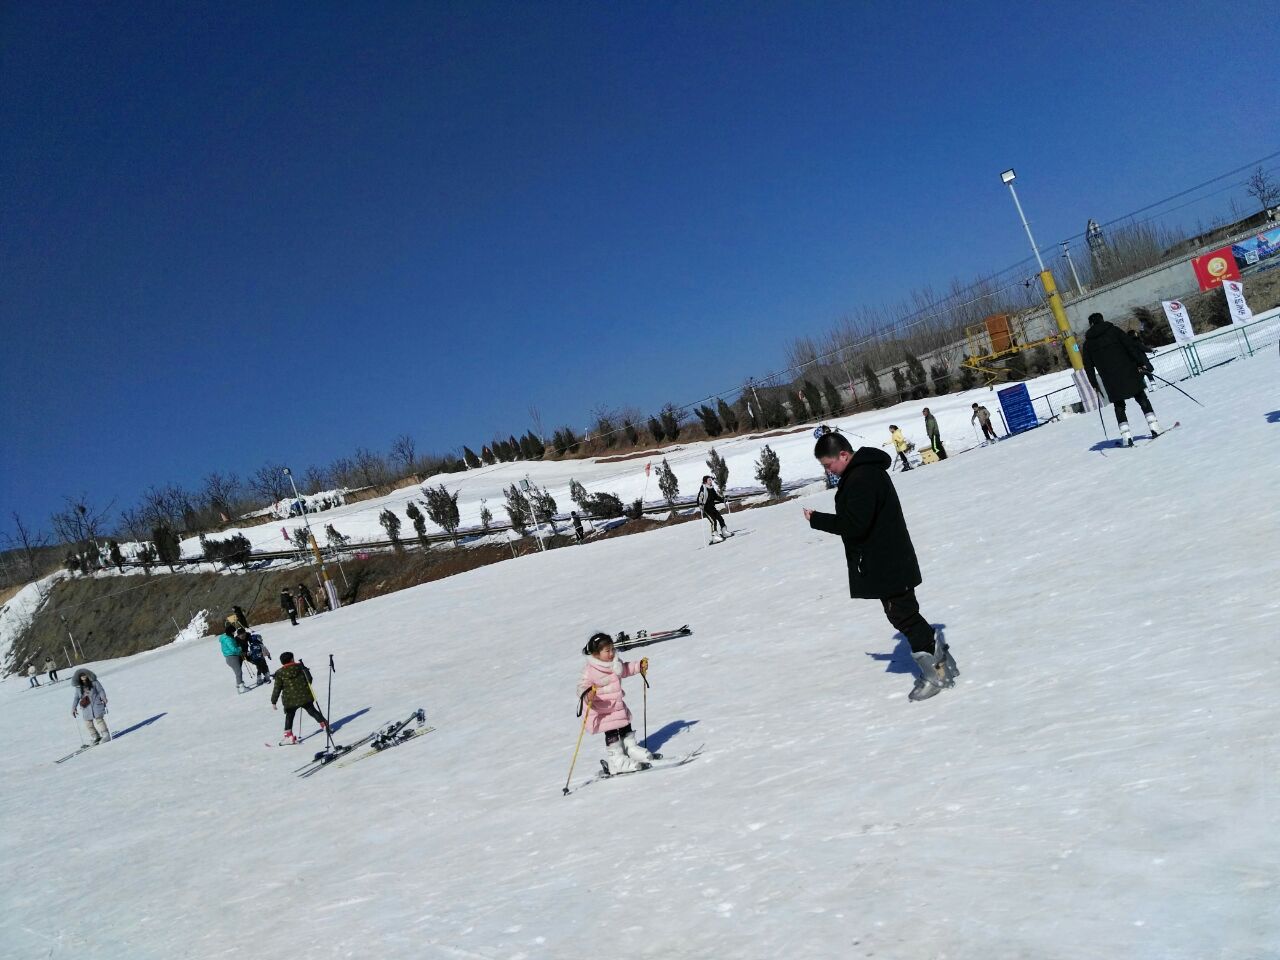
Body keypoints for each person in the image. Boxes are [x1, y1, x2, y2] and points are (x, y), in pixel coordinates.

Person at [803, 432, 957, 701]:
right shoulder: (863, 473)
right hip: (888, 559)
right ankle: (939, 663)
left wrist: (818, 520)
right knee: (902, 613)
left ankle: (938, 673)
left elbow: (854, 524)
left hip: (888, 561)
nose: (829, 471)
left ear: (843, 455)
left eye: (829, 465)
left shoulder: (862, 478)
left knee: (903, 614)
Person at [576, 632, 653, 774]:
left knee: (625, 725)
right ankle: (616, 761)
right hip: (602, 709)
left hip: (617, 705)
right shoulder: (590, 670)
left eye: (612, 649)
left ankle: (631, 749)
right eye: (607, 651)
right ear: (596, 654)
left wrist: (639, 666)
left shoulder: (615, 664)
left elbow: (626, 669)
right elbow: (582, 686)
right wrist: (588, 694)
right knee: (612, 731)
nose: (611, 653)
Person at [1082, 312, 1161, 447]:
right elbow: (1130, 346)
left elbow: (1088, 366)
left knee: (1119, 406)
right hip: (1128, 371)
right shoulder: (1114, 331)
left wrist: (1094, 383)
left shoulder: (1088, 344)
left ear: (1090, 324)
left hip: (1110, 379)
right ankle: (1154, 427)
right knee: (1141, 397)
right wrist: (1140, 363)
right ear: (1103, 319)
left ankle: (1126, 437)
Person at [271, 651, 328, 744]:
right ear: (292, 659)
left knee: (289, 716)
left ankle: (289, 737)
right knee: (312, 711)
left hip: (290, 700)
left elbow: (277, 688)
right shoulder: (300, 667)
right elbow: (309, 679)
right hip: (305, 696)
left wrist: (273, 701)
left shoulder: (279, 673)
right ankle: (325, 725)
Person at [71, 668, 110, 743]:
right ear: (79, 678)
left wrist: (103, 697)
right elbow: (76, 697)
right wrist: (73, 707)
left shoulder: (94, 682)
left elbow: (100, 690)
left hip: (96, 704)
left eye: (84, 675)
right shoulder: (78, 687)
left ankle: (106, 735)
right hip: (86, 707)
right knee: (88, 723)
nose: (83, 676)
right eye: (81, 676)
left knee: (99, 720)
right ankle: (95, 736)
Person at [696, 476, 730, 545]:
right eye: (709, 480)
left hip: (712, 507)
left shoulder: (711, 488)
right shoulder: (703, 488)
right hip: (706, 509)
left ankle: (724, 532)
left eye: (711, 480)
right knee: (713, 521)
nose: (711, 481)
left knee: (720, 518)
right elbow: (700, 497)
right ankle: (714, 537)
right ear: (705, 481)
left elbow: (716, 497)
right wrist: (700, 504)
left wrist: (723, 499)